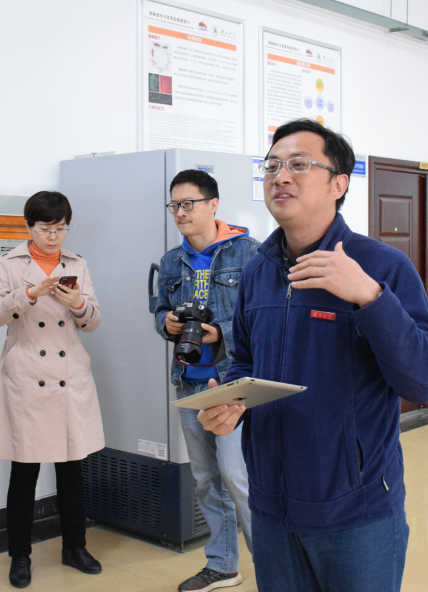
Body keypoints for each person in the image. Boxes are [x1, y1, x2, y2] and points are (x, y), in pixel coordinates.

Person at [198, 119, 428, 592]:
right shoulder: (256, 272)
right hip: (271, 507)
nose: (280, 176)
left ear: (339, 184)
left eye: (298, 164)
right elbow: (246, 361)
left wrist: (370, 297)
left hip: (356, 511)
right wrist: (232, 401)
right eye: (271, 166)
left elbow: (427, 381)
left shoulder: (382, 267)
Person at [0, 191, 103, 589]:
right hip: (27, 378)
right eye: (46, 229)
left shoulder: (77, 263)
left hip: (69, 376)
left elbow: (93, 321)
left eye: (61, 229)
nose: (54, 237)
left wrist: (79, 303)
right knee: (24, 473)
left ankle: (75, 547)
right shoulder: (10, 264)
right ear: (29, 227)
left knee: (71, 470)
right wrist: (30, 294)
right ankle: (20, 556)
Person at [154, 170, 258, 592]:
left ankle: (274, 563)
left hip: (232, 382)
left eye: (188, 204)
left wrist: (222, 334)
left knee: (237, 477)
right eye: (174, 206)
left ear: (213, 205)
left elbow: (264, 319)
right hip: (190, 381)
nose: (180, 213)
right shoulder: (170, 261)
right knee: (206, 479)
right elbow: (160, 313)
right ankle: (223, 565)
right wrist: (168, 324)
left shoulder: (248, 252)